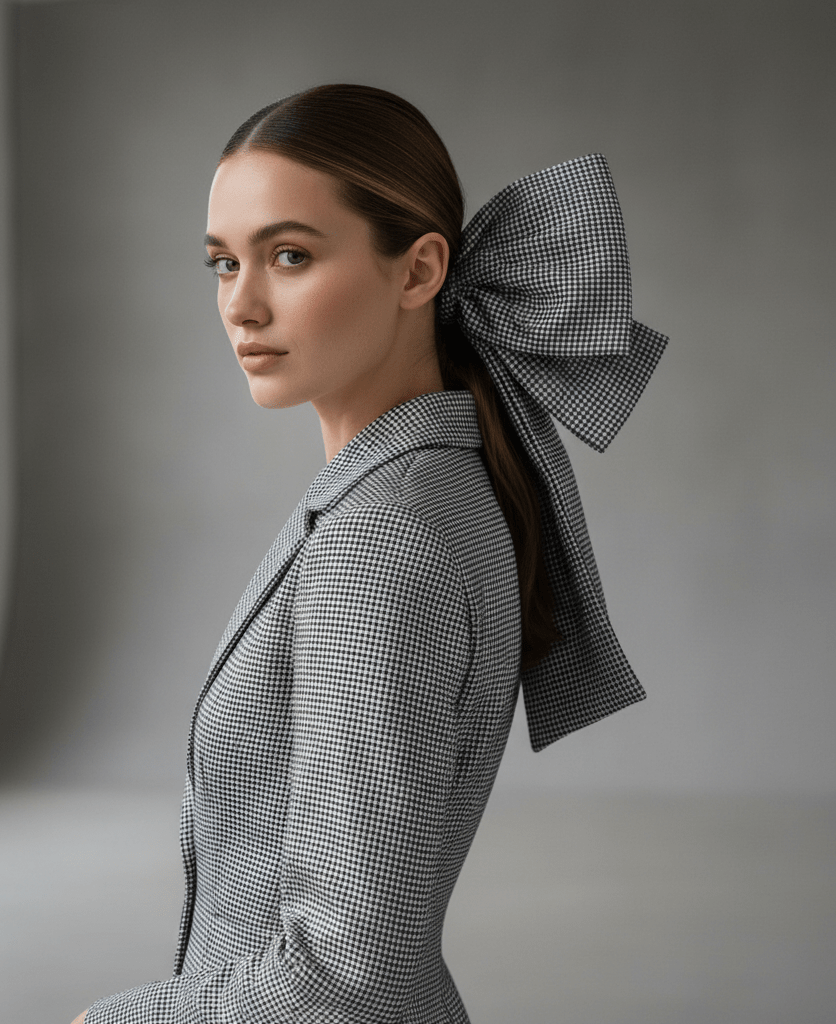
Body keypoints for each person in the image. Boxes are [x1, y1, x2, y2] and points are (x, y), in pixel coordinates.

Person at [72, 83, 667, 1024]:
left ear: (420, 269)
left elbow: (343, 969)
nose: (243, 304)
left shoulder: (388, 537)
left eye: (291, 256)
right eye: (223, 263)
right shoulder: (416, 488)